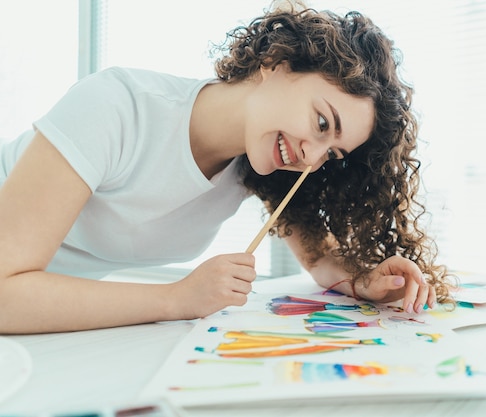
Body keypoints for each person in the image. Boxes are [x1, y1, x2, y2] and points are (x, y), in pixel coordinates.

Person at [0, 1, 456, 334]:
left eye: (332, 154)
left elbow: (319, 261)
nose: (312, 158)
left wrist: (365, 281)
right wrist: (177, 299)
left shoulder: (256, 167)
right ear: (278, 63)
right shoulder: (116, 106)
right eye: (322, 122)